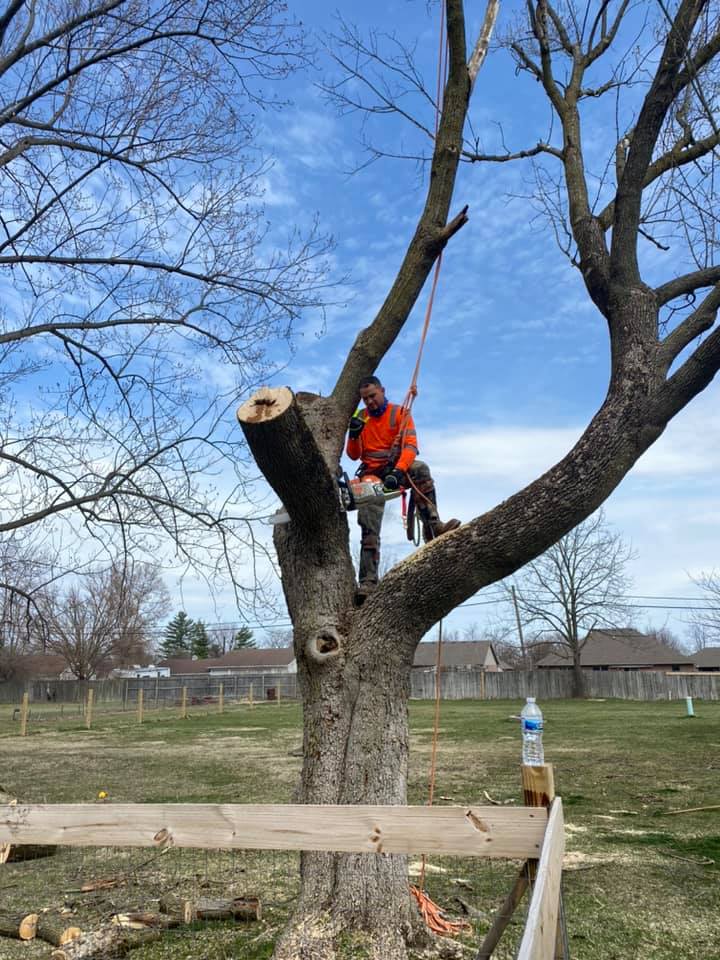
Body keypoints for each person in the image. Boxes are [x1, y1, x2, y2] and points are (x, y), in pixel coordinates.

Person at [346, 375, 460, 595]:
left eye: (372, 396)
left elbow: (410, 446)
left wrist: (399, 470)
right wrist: (353, 436)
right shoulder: (361, 417)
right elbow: (353, 455)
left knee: (421, 469)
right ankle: (368, 580)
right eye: (365, 398)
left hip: (396, 468)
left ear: (382, 391)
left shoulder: (400, 413)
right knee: (369, 517)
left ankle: (433, 526)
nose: (369, 402)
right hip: (371, 474)